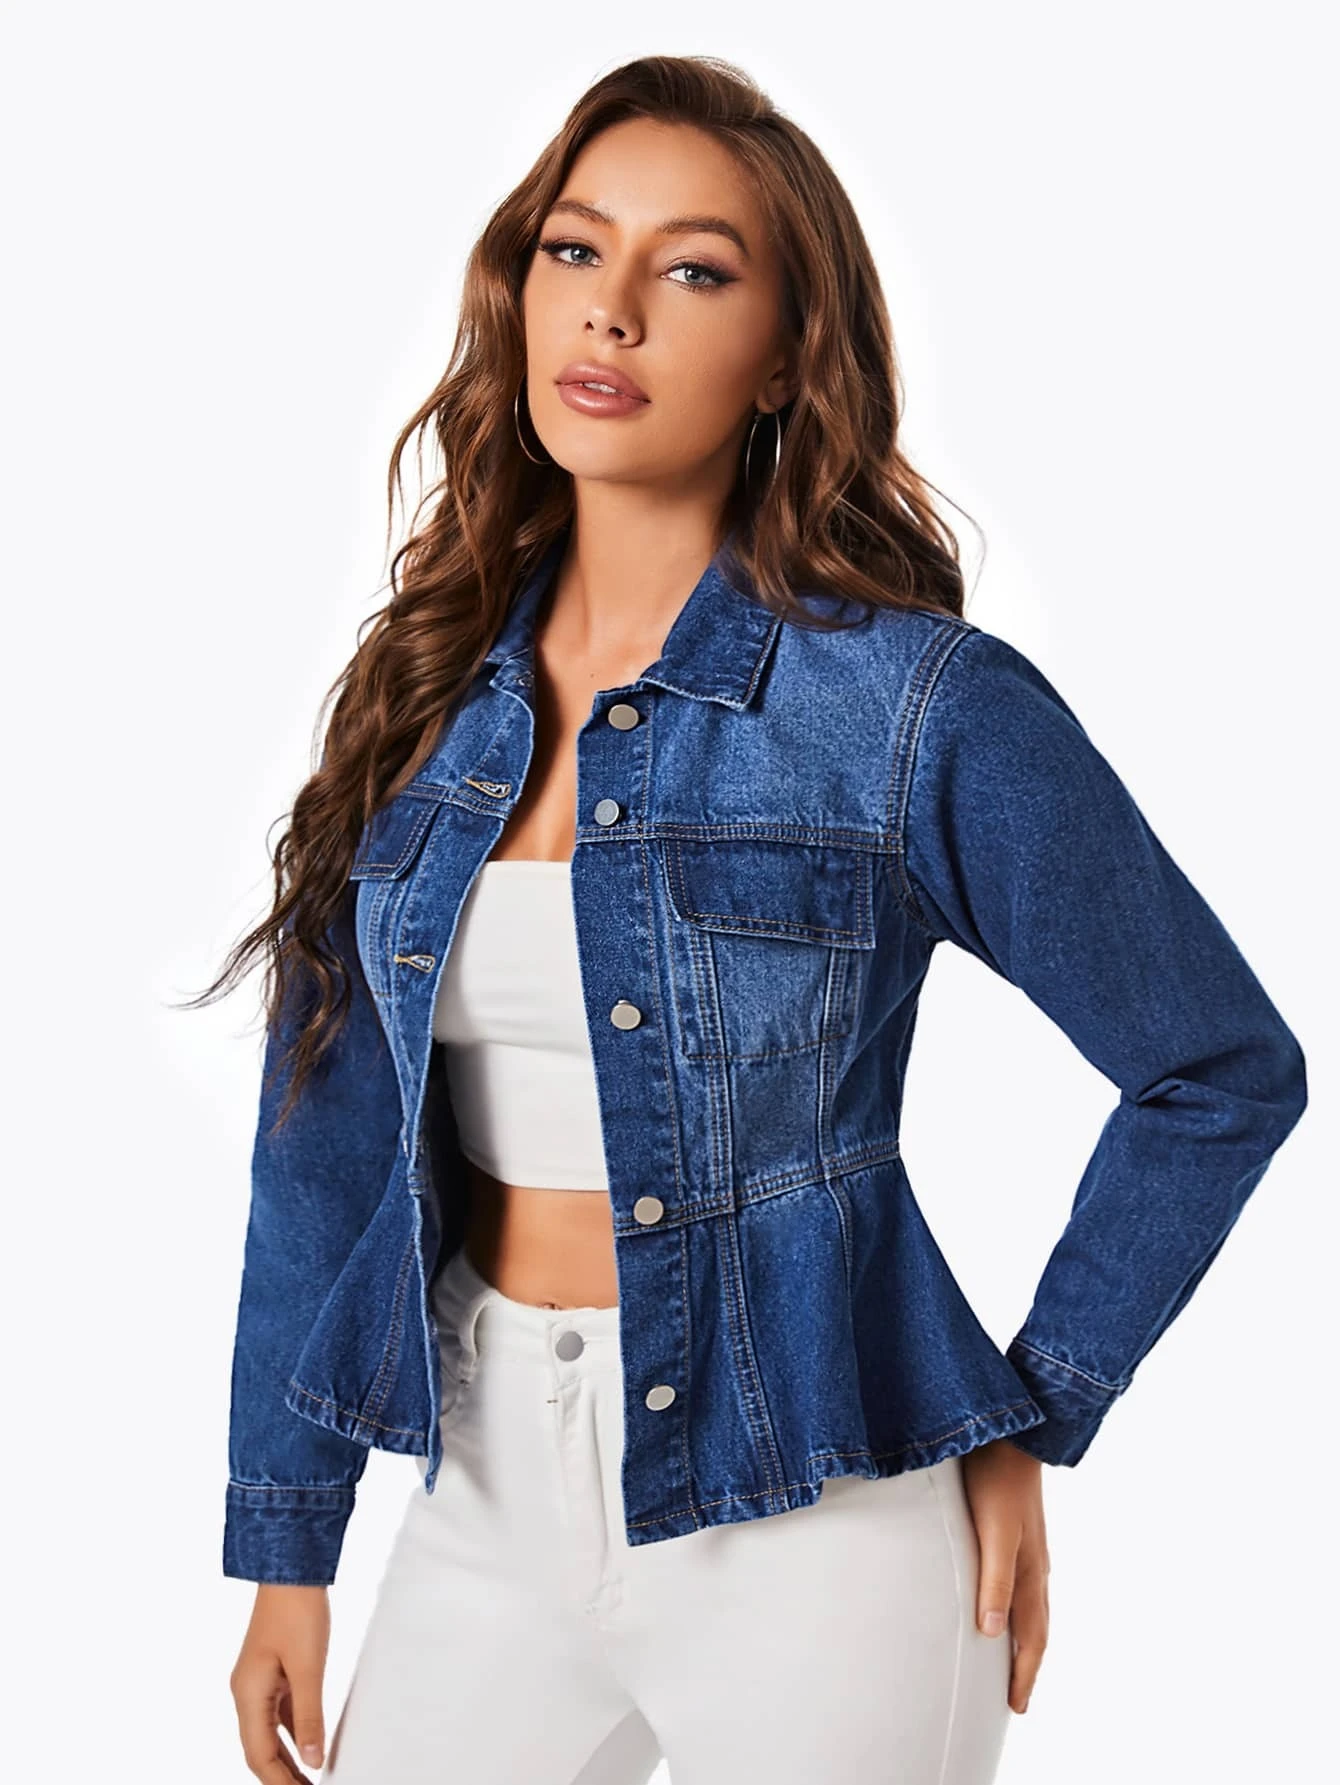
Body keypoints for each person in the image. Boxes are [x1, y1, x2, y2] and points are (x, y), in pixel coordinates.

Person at [200, 53, 1308, 1785]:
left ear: (788, 355)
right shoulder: (426, 697)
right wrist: (287, 1540)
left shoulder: (913, 708)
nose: (615, 311)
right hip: (484, 1478)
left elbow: (1218, 1070)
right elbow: (324, 1144)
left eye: (696, 270)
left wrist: (1034, 1410)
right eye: (577, 251)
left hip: (821, 1508)